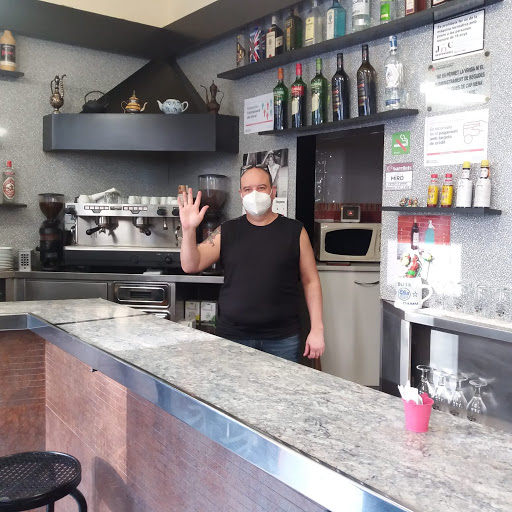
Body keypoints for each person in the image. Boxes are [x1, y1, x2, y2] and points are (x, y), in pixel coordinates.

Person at [178, 165, 325, 363]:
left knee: (282, 385)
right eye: (248, 189)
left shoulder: (295, 231)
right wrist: (188, 230)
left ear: (273, 191)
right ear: (241, 194)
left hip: (282, 338)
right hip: (233, 336)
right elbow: (191, 265)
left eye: (261, 188)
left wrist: (317, 329)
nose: (254, 194)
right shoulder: (226, 231)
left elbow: (311, 281)